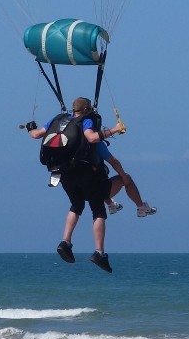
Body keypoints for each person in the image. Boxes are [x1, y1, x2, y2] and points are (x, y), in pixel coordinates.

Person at [25, 98, 121, 272]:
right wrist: (114, 129)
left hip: (63, 172)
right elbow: (91, 138)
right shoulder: (87, 120)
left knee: (76, 205)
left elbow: (36, 135)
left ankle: (65, 242)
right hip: (83, 171)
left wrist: (30, 127)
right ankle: (99, 252)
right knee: (98, 209)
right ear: (86, 109)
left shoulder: (57, 119)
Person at [97, 134, 158, 218]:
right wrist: (123, 177)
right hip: (96, 191)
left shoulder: (74, 144)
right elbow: (114, 162)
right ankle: (141, 208)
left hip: (78, 191)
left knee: (98, 179)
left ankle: (111, 204)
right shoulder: (96, 144)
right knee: (126, 178)